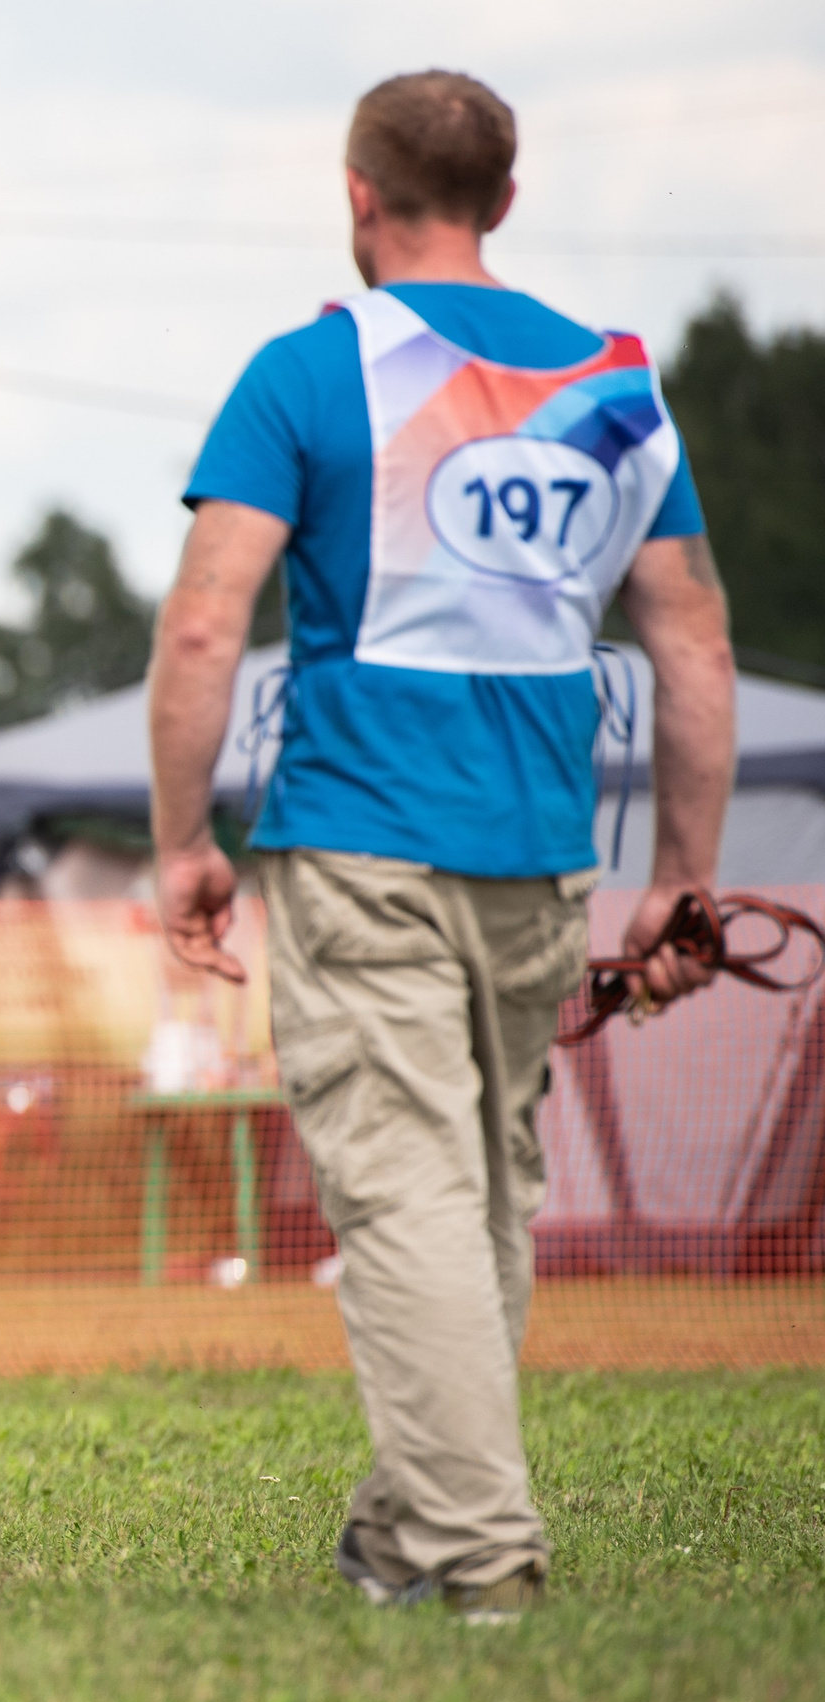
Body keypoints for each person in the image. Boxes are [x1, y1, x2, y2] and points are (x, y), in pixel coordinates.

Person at [148, 71, 735, 1618]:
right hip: (545, 863)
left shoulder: (308, 370)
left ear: (359, 195)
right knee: (474, 1198)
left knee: (411, 1200)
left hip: (361, 846)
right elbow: (693, 645)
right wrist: (683, 872)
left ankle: (480, 1556)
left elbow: (209, 620)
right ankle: (409, 1538)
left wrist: (176, 844)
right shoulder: (618, 382)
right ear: (507, 200)